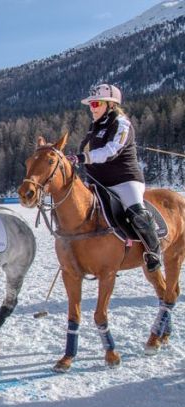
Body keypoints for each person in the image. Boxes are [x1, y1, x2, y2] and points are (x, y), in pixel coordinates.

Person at [67, 84, 160, 272]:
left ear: (111, 104)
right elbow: (85, 151)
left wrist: (83, 158)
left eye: (96, 103)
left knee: (137, 213)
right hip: (98, 181)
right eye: (91, 104)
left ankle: (153, 251)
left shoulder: (121, 123)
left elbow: (111, 151)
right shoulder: (94, 127)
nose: (92, 108)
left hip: (124, 180)